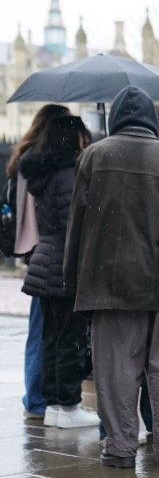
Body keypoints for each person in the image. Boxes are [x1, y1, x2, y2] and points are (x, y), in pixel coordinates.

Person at [64, 86, 159, 468]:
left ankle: (119, 447)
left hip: (107, 284)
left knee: (115, 370)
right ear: (152, 123)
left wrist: (73, 282)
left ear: (115, 118)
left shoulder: (93, 156)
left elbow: (77, 224)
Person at [20, 115, 97, 429]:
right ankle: (67, 405)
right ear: (71, 137)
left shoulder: (45, 173)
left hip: (45, 262)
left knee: (52, 337)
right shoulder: (68, 174)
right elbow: (74, 226)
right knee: (71, 338)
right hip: (64, 266)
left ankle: (53, 404)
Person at [7, 103, 70, 422]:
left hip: (36, 251)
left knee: (41, 329)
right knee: (44, 329)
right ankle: (36, 397)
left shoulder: (25, 158)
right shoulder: (48, 164)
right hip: (48, 250)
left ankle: (36, 396)